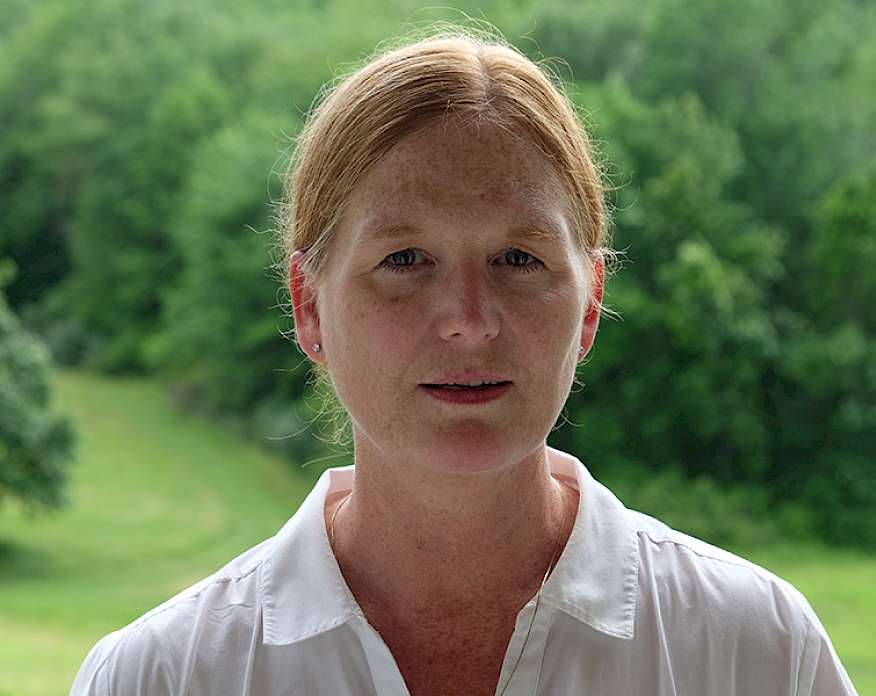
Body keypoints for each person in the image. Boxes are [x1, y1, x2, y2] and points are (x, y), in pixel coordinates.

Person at [70, 29, 858, 696]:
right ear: (309, 306)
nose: (469, 322)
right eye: (405, 258)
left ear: (588, 305)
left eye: (519, 258)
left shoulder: (756, 653)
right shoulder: (163, 675)